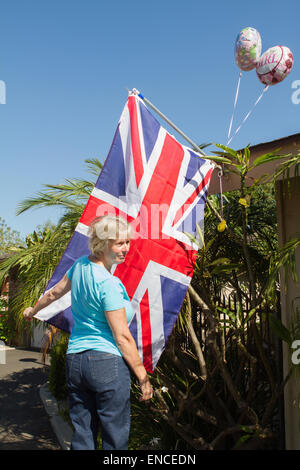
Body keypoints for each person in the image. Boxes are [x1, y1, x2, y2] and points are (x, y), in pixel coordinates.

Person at [23, 214, 153, 450]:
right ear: (103, 245)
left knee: (83, 435)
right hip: (106, 363)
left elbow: (53, 294)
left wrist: (33, 309)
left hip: (76, 362)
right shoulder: (109, 284)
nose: (126, 249)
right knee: (115, 438)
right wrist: (143, 377)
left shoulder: (80, 265)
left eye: (128, 242)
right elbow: (122, 337)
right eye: (120, 243)